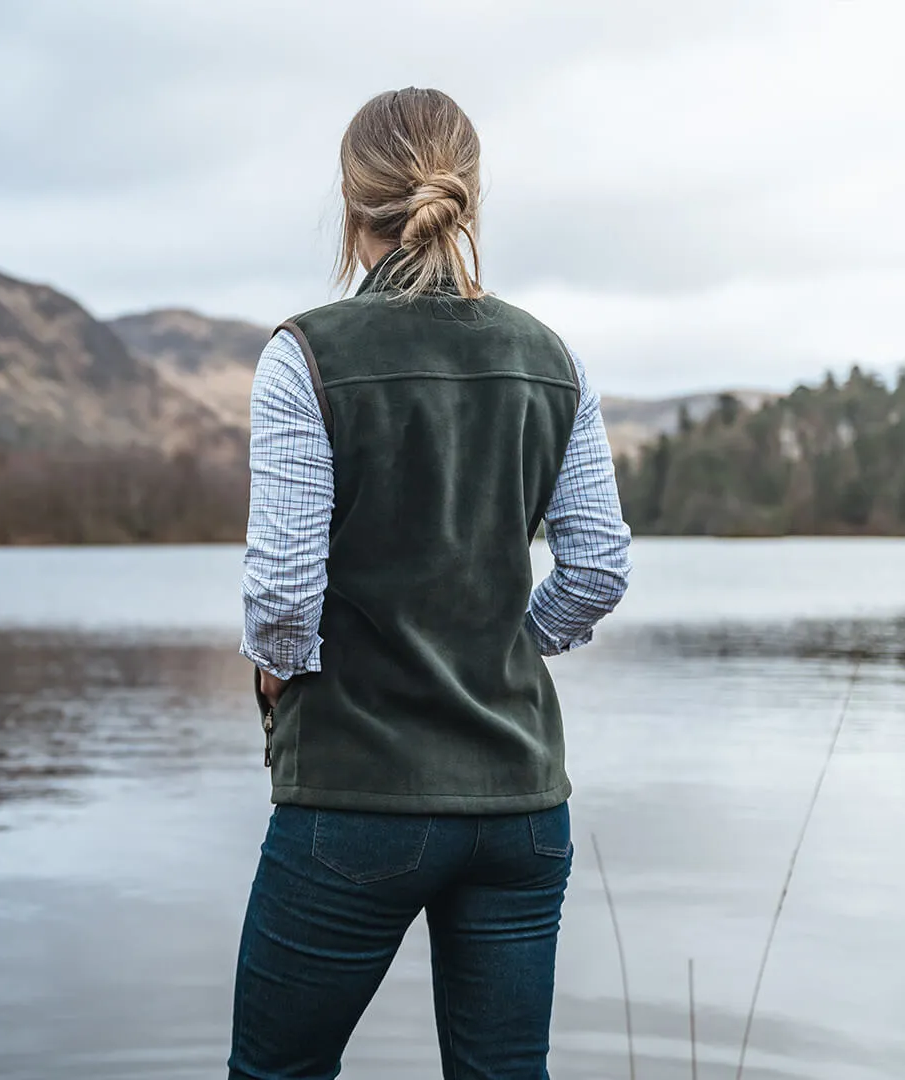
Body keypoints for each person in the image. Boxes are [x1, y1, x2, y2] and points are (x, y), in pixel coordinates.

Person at [231, 87, 631, 1080]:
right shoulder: (555, 360)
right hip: (520, 811)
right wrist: (499, 640)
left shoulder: (305, 358)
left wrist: (282, 676)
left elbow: (281, 596)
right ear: (469, 196)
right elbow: (599, 568)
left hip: (355, 799)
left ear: (348, 197)